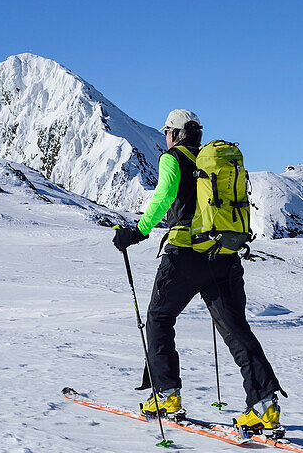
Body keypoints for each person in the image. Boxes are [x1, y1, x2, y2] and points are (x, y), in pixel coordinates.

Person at [112, 109, 285, 432]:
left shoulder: (172, 159)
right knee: (236, 330)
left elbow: (163, 196)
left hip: (186, 256)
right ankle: (264, 405)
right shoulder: (213, 162)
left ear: (175, 134)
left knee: (159, 318)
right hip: (224, 254)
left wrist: (137, 231)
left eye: (167, 132)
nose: (166, 137)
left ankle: (166, 396)